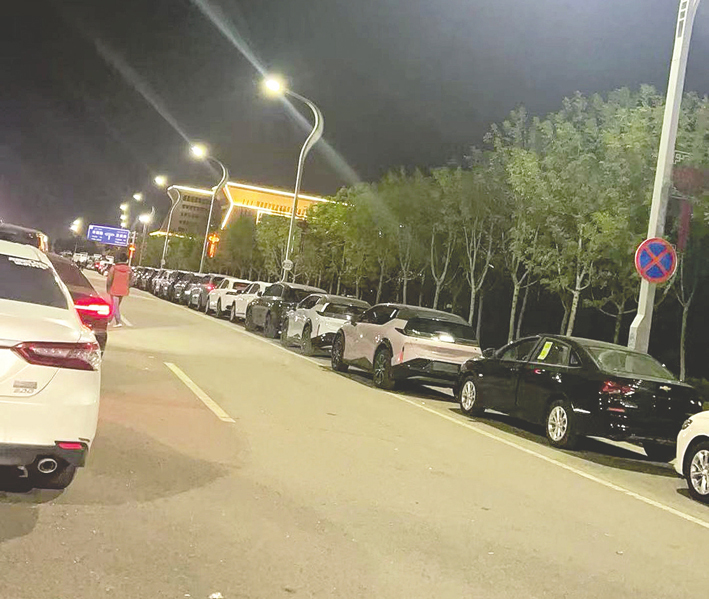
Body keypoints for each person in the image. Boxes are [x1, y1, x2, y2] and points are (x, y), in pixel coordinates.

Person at [106, 252, 131, 327]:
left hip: (114, 289)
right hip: (123, 290)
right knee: (115, 306)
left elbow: (109, 279)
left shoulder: (114, 268)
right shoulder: (129, 270)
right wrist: (128, 286)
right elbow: (132, 279)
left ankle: (118, 321)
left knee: (115, 306)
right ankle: (109, 320)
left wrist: (108, 287)